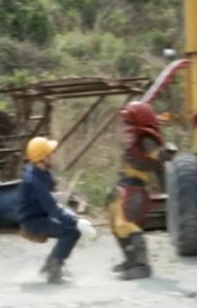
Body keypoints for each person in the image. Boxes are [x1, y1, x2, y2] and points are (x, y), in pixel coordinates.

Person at [16, 136, 91, 284]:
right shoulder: (34, 181)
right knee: (71, 230)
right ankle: (53, 268)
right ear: (43, 157)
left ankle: (52, 264)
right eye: (49, 153)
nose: (52, 155)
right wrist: (75, 221)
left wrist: (72, 216)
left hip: (41, 215)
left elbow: (51, 201)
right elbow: (52, 209)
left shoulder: (42, 172)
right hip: (32, 221)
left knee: (71, 227)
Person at [106, 101, 163, 281]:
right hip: (125, 185)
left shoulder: (147, 139)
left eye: (129, 121)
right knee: (115, 224)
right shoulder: (136, 137)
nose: (126, 125)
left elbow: (156, 161)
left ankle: (141, 265)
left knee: (126, 224)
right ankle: (130, 260)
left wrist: (164, 155)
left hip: (136, 187)